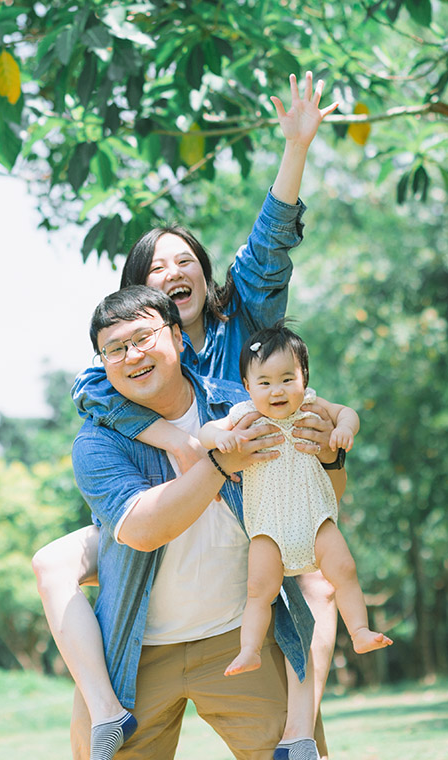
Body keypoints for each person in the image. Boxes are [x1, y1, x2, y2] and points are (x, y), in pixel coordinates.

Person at [31, 72, 341, 760]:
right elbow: (92, 389)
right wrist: (178, 435)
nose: (173, 270)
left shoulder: (244, 331)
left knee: (315, 579)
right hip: (160, 515)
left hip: (246, 503)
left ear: (202, 276)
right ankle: (109, 706)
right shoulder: (126, 362)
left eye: (184, 261)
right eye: (155, 267)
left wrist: (295, 149)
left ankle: (294, 735)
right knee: (60, 559)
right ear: (141, 299)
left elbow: (268, 249)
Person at [70, 286, 344, 759]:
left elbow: (320, 504)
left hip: (241, 639)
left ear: (178, 338)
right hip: (138, 652)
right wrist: (219, 464)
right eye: (114, 349)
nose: (131, 355)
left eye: (143, 337)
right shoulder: (97, 444)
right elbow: (143, 528)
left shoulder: (248, 404)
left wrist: (332, 458)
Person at [199, 321, 392, 680]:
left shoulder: (312, 405)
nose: (277, 390)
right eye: (265, 382)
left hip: (316, 519)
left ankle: (360, 632)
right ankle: (249, 650)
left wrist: (344, 429)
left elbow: (348, 412)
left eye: (288, 379)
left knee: (345, 571)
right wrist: (220, 439)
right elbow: (204, 432)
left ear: (304, 379)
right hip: (269, 529)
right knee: (258, 591)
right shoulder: (244, 416)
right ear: (246, 387)